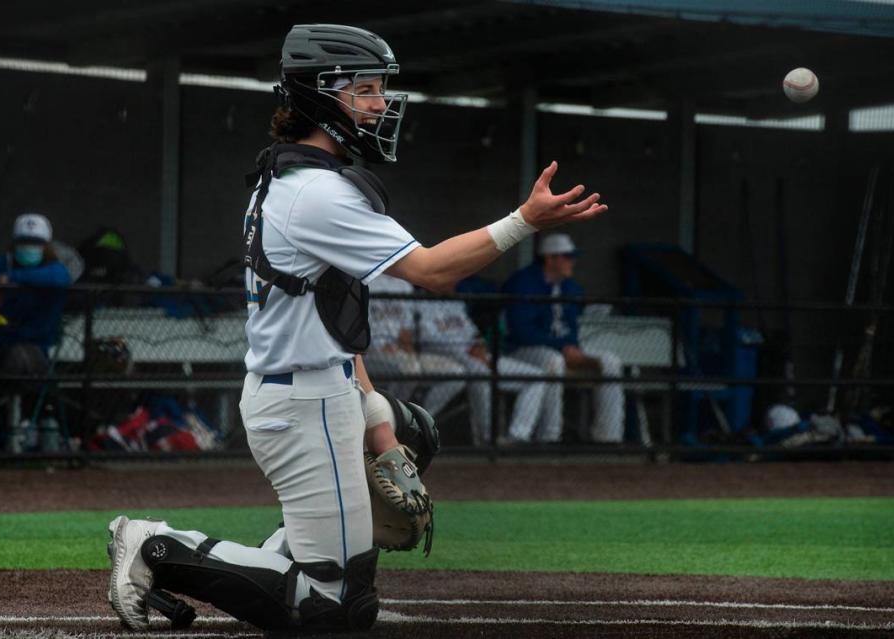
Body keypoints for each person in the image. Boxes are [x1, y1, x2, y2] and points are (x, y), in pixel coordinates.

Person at [105, 24, 606, 634]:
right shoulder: (314, 191)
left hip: (319, 390)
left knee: (402, 445)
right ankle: (156, 546)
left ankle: (256, 554)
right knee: (333, 608)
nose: (379, 104)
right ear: (319, 96)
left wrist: (377, 427)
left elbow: (336, 323)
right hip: (300, 404)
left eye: (378, 90)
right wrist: (523, 221)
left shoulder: (295, 178)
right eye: (364, 90)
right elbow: (432, 271)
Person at [502, 233, 625, 443]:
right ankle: (550, 436)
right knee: (554, 361)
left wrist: (571, 347)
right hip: (522, 351)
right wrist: (562, 347)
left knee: (611, 362)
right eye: (566, 257)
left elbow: (572, 326)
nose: (572, 261)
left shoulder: (570, 287)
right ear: (550, 259)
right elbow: (523, 332)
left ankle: (609, 437)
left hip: (561, 348)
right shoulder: (524, 282)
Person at [0, 213, 72, 451]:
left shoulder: (53, 269)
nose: (30, 248)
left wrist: (13, 278)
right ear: (14, 243)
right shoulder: (0, 264)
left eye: (36, 243)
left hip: (34, 355)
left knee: (2, 365)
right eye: (24, 242)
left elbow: (60, 279)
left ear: (46, 246)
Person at [416, 297, 561, 445]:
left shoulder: (455, 303)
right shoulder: (420, 303)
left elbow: (473, 333)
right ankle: (488, 436)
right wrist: (467, 352)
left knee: (535, 377)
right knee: (480, 372)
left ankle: (518, 436)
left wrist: (479, 345)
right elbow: (428, 341)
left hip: (478, 356)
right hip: (446, 357)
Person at [363, 273, 466, 418]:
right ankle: (391, 418)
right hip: (370, 353)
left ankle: (421, 419)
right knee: (411, 369)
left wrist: (406, 348)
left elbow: (407, 329)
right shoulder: (365, 280)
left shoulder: (403, 284)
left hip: (400, 353)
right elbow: (358, 327)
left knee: (457, 372)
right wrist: (378, 347)